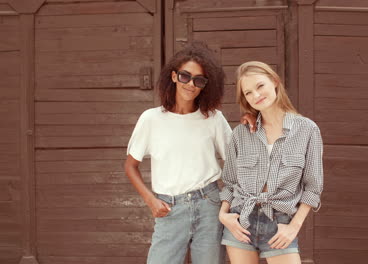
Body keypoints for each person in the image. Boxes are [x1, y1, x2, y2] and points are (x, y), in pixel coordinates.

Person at [125, 42, 247, 264]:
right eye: (185, 76)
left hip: (209, 204)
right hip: (169, 209)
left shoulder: (213, 118)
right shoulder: (151, 119)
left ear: (204, 86)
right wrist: (151, 200)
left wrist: (250, 127)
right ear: (173, 77)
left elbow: (235, 163)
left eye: (199, 80)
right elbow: (130, 165)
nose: (191, 84)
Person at [219, 61, 324, 264]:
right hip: (241, 221)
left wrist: (294, 226)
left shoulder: (307, 130)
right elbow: (230, 183)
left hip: (280, 223)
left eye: (260, 86)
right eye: (248, 93)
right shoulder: (241, 133)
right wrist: (224, 215)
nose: (256, 96)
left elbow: (313, 188)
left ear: (274, 82)